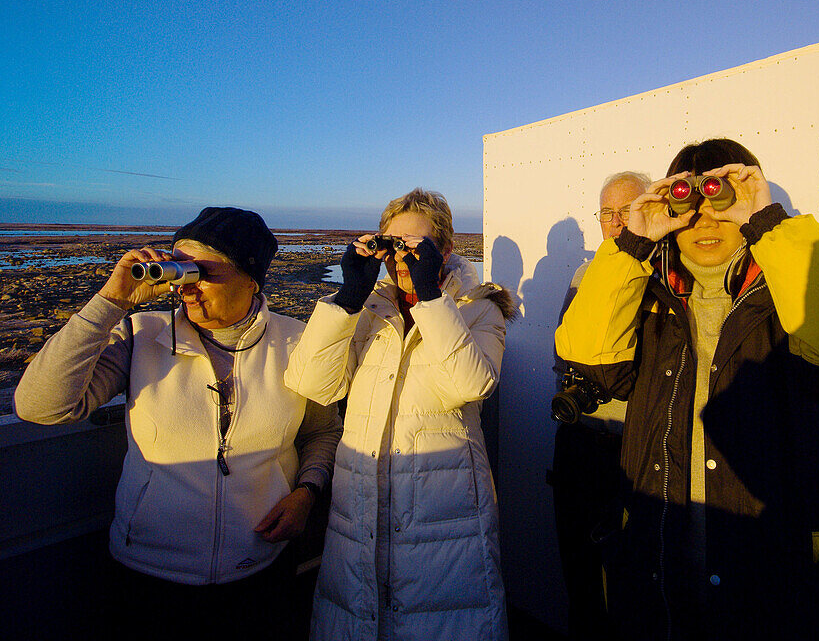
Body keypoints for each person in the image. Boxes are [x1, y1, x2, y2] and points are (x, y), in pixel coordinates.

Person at [555, 139, 819, 641]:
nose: (704, 222)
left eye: (719, 204)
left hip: (785, 591)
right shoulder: (642, 296)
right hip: (663, 582)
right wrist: (632, 244)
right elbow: (587, 357)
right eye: (687, 206)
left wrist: (769, 224)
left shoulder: (793, 289)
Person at [14, 206, 341, 639]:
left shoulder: (298, 341)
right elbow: (40, 406)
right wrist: (111, 302)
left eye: (202, 271)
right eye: (178, 268)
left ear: (251, 278)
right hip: (148, 574)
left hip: (261, 565)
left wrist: (306, 492)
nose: (186, 285)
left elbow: (323, 430)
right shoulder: (140, 335)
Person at [285, 188, 516, 641]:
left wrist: (430, 297)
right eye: (393, 246)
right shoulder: (367, 311)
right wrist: (348, 299)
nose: (402, 260)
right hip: (360, 515)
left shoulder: (479, 309)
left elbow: (470, 386)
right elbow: (313, 384)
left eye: (416, 248)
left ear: (445, 251)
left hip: (443, 522)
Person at [551, 170, 648, 640]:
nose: (614, 222)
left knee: (633, 585)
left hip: (634, 448)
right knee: (581, 574)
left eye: (625, 211)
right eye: (606, 212)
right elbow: (565, 352)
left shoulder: (660, 273)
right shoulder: (583, 275)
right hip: (579, 440)